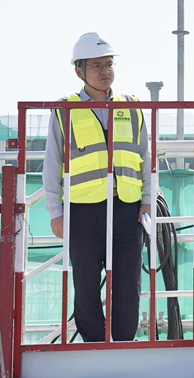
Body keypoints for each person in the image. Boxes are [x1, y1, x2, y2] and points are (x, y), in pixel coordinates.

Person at [43, 32, 152, 342]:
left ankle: (123, 343)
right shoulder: (65, 109)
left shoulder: (131, 106)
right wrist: (55, 210)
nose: (105, 71)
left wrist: (147, 199)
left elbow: (145, 155)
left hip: (127, 208)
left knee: (128, 283)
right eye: (96, 66)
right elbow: (52, 163)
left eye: (109, 64)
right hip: (83, 210)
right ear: (79, 70)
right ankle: (92, 345)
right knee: (86, 284)